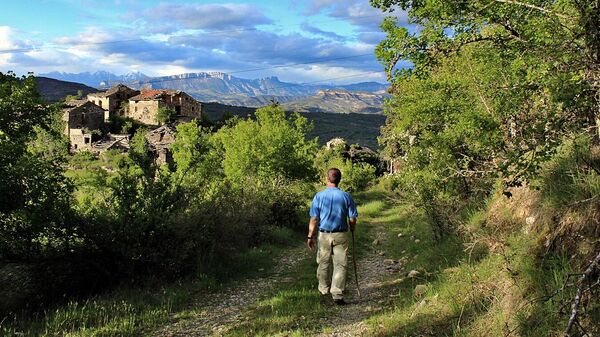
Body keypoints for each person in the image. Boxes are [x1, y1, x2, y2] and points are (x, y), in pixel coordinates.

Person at [307, 168, 358, 305]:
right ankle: (337, 294)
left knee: (323, 262)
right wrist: (352, 228)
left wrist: (310, 236)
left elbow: (314, 219)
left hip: (324, 234)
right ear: (339, 179)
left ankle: (323, 290)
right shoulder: (346, 196)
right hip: (341, 234)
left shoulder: (319, 196)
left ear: (326, 178)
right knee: (340, 264)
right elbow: (352, 217)